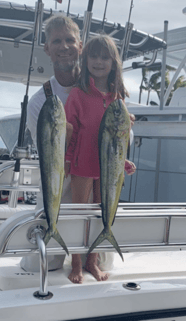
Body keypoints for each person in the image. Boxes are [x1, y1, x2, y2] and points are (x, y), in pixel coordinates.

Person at [24, 14, 135, 278]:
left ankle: (89, 260)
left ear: (81, 46)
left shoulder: (109, 89)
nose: (64, 46)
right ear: (47, 49)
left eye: (70, 40)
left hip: (100, 173)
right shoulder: (39, 102)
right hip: (61, 180)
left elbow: (119, 143)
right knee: (40, 266)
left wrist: (126, 129)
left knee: (103, 263)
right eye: (56, 41)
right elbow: (50, 157)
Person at [64, 34, 136, 284]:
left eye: (105, 57)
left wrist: (124, 163)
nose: (98, 61)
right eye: (93, 56)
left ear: (113, 62)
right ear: (85, 60)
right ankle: (75, 264)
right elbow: (69, 131)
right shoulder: (78, 93)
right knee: (79, 214)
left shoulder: (118, 98)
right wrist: (67, 160)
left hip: (108, 169)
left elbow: (119, 140)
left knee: (100, 213)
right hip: (83, 165)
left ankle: (91, 263)